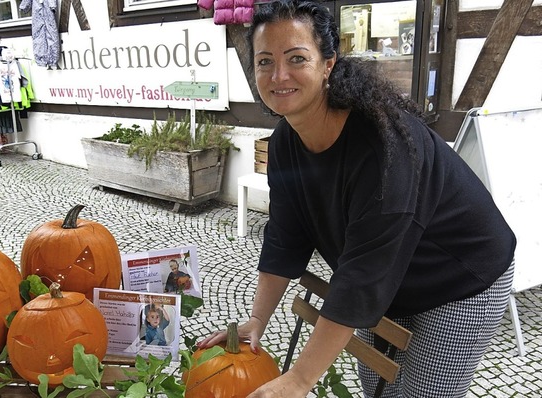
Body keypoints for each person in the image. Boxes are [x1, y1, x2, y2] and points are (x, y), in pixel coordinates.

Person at [197, 1, 516, 397]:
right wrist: (257, 320)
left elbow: (363, 279)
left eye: (297, 58)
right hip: (381, 277)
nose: (279, 75)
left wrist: (299, 380)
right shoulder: (284, 145)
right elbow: (285, 238)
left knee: (421, 394)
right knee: (374, 384)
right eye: (264, 61)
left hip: (461, 276)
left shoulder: (385, 149)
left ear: (328, 63)